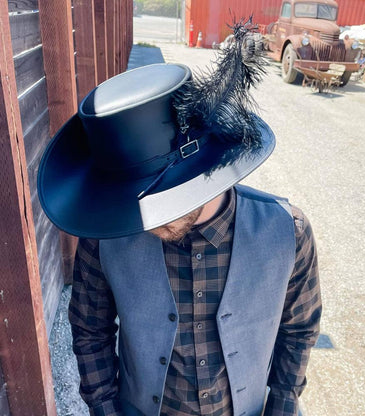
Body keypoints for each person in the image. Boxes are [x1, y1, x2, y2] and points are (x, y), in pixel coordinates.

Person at [38, 22, 321, 416]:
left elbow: (299, 328)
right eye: (130, 203)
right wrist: (103, 408)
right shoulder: (105, 238)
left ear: (194, 173)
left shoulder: (287, 231)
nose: (144, 221)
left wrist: (284, 403)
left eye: (159, 202)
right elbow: (90, 330)